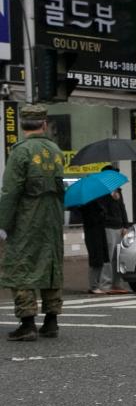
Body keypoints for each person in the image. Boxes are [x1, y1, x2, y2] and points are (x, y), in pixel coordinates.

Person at [0, 104, 66, 341]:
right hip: (53, 218)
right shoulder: (56, 151)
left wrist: (3, 225)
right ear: (44, 124)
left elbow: (10, 192)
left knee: (21, 265)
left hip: (27, 217)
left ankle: (27, 322)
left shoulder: (21, 152)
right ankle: (51, 321)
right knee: (51, 265)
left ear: (21, 125)